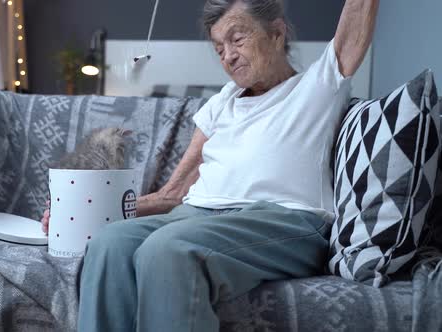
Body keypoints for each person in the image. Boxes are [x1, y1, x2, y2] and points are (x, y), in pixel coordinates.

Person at [42, 0, 379, 330]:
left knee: (168, 250)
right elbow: (172, 194)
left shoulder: (319, 83)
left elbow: (358, 14)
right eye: (219, 49)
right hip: (195, 216)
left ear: (276, 32)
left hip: (284, 218)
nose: (229, 56)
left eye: (237, 38)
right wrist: (81, 211)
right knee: (109, 242)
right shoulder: (223, 101)